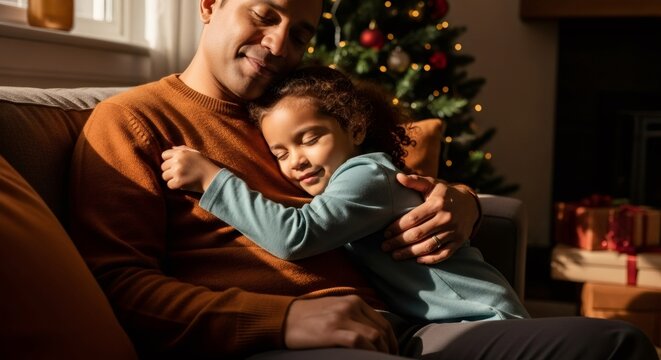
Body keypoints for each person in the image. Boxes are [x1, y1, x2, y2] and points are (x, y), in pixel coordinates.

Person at [68, 0, 658, 359]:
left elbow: (386, 181)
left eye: (300, 32)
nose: (279, 44)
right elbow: (116, 287)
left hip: (407, 327)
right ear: (209, 6)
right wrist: (280, 319)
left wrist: (463, 204)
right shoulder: (133, 120)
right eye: (264, 15)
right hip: (284, 340)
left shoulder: (291, 111)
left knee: (616, 343)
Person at [160, 65, 530, 323]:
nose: (297, 161)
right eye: (281, 153)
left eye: (310, 138)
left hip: (484, 316)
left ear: (354, 130)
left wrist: (212, 179)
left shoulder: (366, 174)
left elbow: (296, 234)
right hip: (448, 323)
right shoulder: (344, 184)